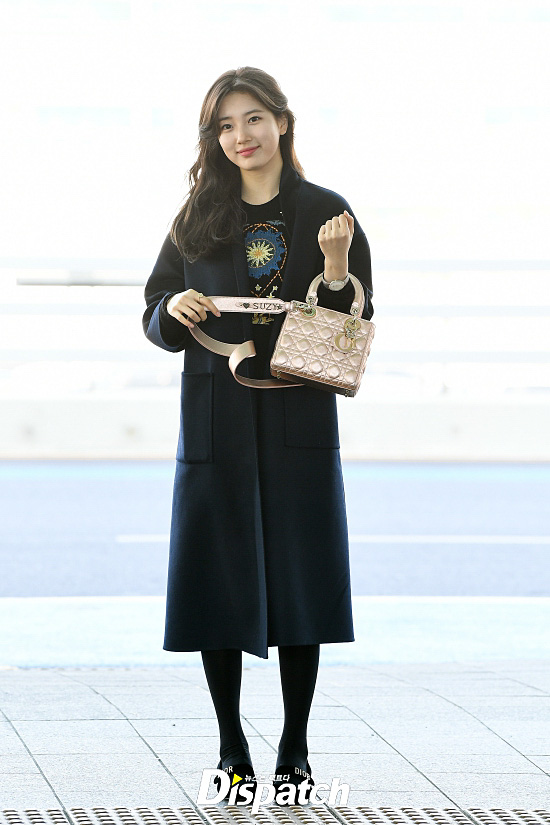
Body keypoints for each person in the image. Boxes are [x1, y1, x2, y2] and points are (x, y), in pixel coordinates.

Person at [142, 66, 374, 805]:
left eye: (253, 119)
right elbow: (153, 307)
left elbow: (352, 329)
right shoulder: (197, 215)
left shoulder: (327, 211)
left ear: (282, 121)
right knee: (217, 584)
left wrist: (335, 268)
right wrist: (174, 303)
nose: (240, 137)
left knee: (299, 581)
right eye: (225, 125)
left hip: (298, 417)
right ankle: (231, 746)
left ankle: (296, 748)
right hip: (216, 419)